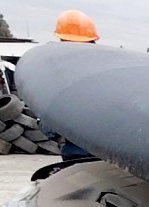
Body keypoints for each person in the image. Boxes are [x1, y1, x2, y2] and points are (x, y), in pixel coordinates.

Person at [49, 10, 99, 160]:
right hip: (101, 153)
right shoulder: (102, 70)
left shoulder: (57, 74)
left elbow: (48, 128)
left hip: (77, 152)